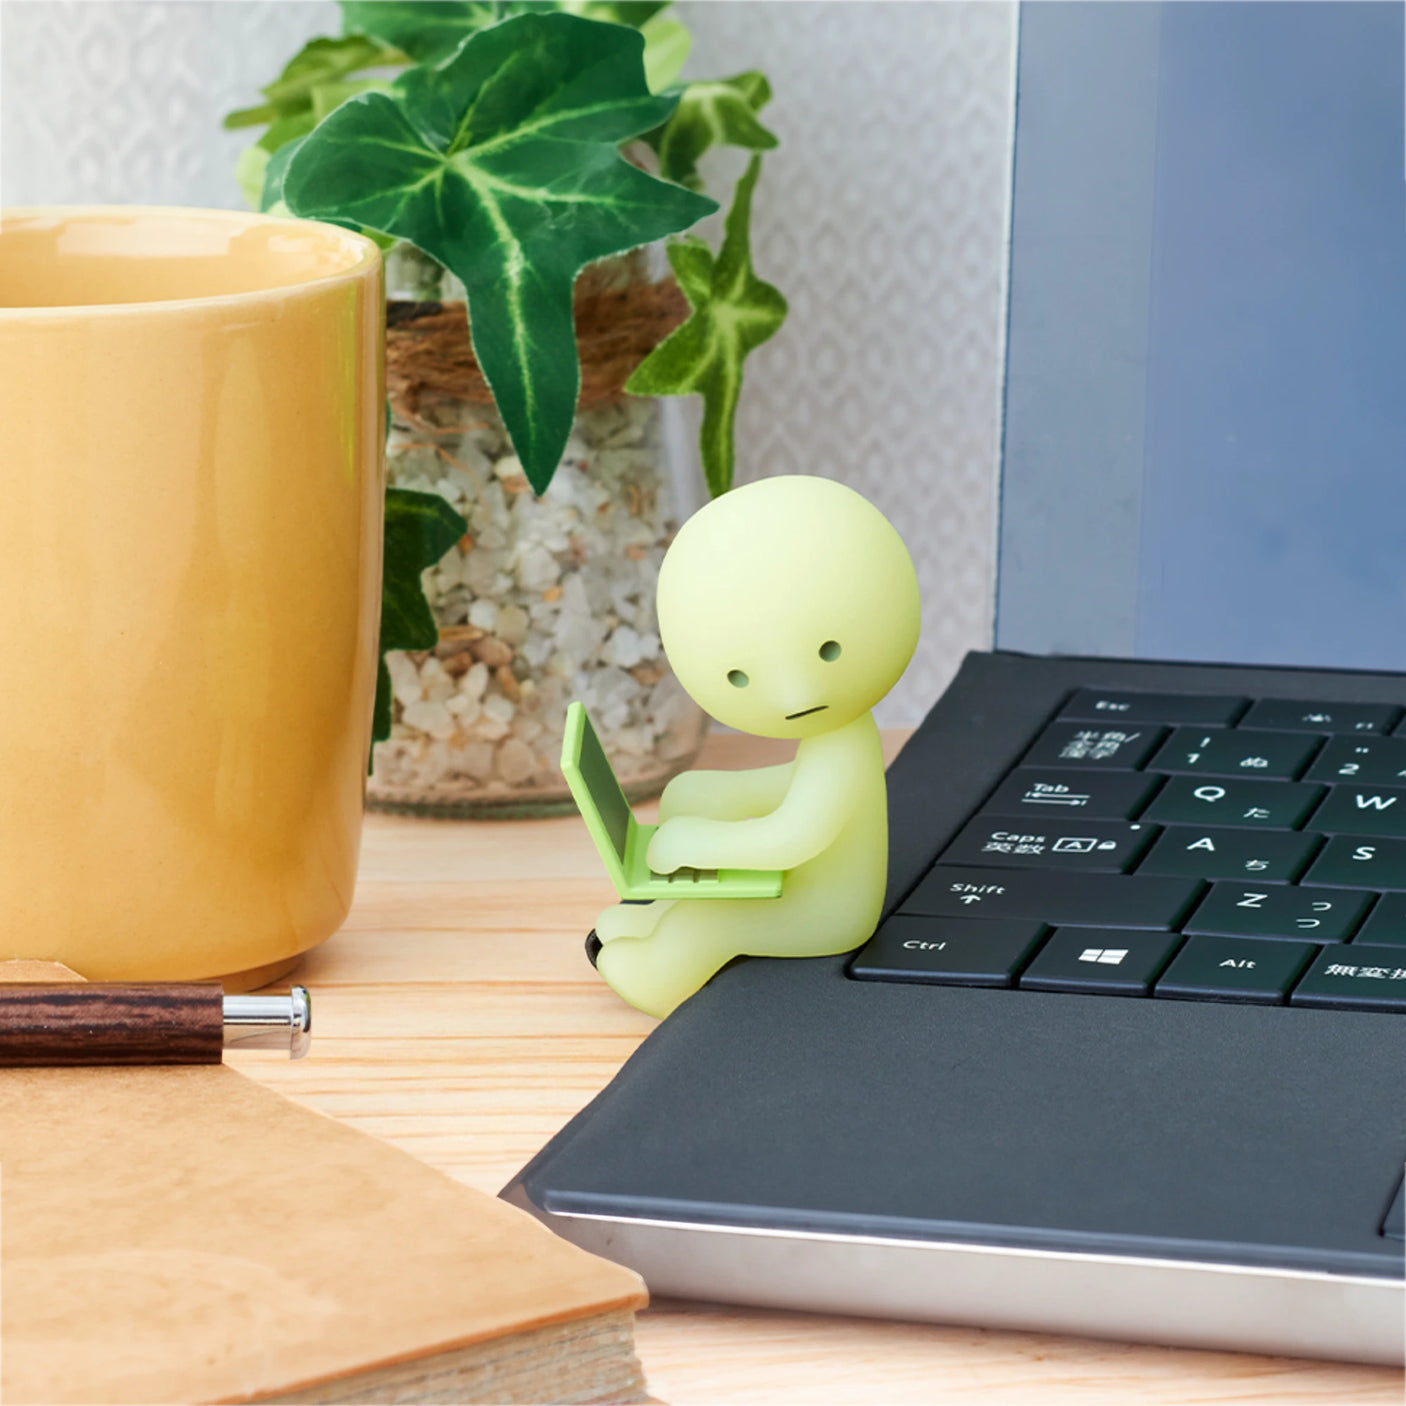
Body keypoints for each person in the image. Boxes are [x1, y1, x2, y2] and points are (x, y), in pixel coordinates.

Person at [591, 475, 921, 1017]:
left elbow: (792, 837)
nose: (797, 696)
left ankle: (653, 974)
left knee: (711, 922)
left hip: (826, 911)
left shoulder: (842, 746)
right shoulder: (836, 736)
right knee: (691, 793)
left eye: (829, 651)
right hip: (808, 883)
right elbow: (796, 786)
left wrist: (698, 843)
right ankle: (656, 914)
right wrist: (719, 800)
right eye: (740, 678)